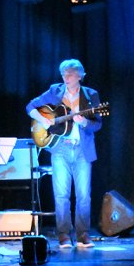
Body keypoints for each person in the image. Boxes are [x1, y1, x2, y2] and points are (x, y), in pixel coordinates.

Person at [26, 59, 102, 248]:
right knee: (61, 194)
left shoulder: (91, 95)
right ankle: (63, 235)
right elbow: (30, 107)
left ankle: (83, 234)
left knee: (84, 194)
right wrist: (43, 120)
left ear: (80, 76)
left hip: (82, 149)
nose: (65, 77)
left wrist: (84, 122)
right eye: (63, 74)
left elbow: (98, 124)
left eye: (69, 74)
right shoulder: (55, 91)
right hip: (60, 148)